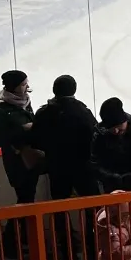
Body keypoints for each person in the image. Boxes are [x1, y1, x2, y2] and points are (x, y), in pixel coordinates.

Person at [0, 70, 41, 254]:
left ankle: (23, 238)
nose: (27, 87)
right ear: (14, 87)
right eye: (23, 84)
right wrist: (23, 130)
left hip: (30, 157)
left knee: (27, 198)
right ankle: (10, 241)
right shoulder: (0, 109)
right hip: (17, 161)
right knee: (25, 199)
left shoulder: (24, 100)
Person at [32, 74, 99, 203]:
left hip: (57, 168)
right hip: (82, 166)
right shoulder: (82, 112)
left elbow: (36, 140)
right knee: (93, 204)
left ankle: (62, 224)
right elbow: (94, 136)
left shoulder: (43, 113)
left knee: (60, 206)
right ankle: (92, 224)